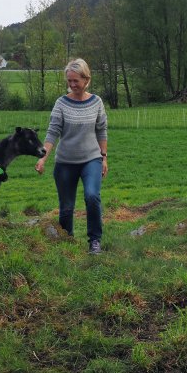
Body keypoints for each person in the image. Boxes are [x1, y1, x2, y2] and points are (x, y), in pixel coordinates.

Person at [36, 58, 108, 254]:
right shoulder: (61, 103)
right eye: (69, 81)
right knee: (66, 208)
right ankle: (67, 241)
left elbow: (101, 130)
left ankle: (94, 241)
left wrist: (104, 157)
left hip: (91, 159)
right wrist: (43, 158)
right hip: (65, 163)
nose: (72, 85)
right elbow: (52, 132)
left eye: (76, 81)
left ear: (86, 80)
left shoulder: (96, 102)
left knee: (92, 197)